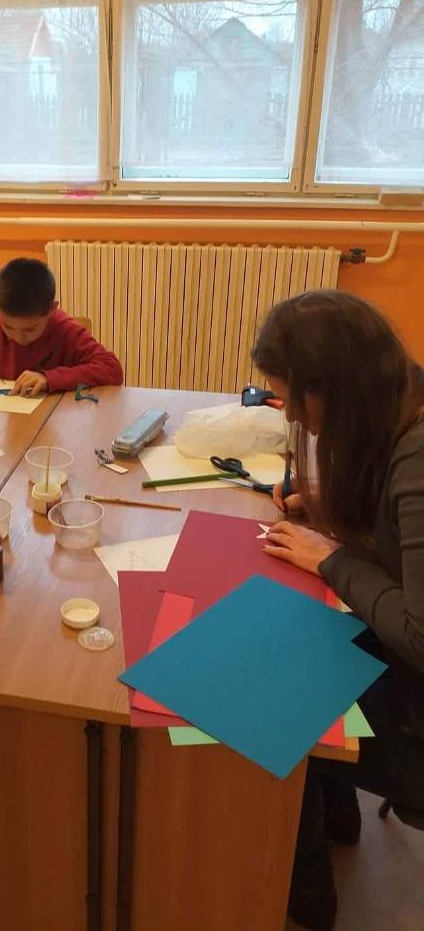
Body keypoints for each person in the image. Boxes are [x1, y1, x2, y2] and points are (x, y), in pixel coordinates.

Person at [252, 290, 424, 931]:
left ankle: (305, 902)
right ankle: (337, 818)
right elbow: (400, 539)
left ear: (338, 386)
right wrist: (329, 504)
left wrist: (332, 558)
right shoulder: (402, 403)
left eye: (297, 402)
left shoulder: (418, 458)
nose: (300, 419)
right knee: (296, 636)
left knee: (272, 703)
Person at [0, 257, 123, 395]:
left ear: (51, 310)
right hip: (0, 425)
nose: (18, 337)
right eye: (8, 327)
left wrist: (49, 379)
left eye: (29, 329)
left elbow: (111, 369)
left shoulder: (65, 331)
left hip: (51, 422)